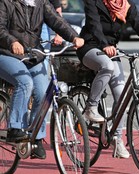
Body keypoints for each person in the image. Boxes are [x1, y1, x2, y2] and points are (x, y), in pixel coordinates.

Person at [77, 0, 139, 158]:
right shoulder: (93, 2)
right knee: (107, 67)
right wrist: (103, 45)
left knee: (121, 95)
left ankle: (117, 139)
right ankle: (91, 107)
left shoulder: (125, 4)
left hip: (110, 50)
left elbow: (138, 23)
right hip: (90, 46)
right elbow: (94, 24)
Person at [0, 0, 84, 159]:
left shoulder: (40, 2)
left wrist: (73, 37)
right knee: (25, 82)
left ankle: (36, 137)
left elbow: (56, 20)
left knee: (43, 92)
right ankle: (15, 128)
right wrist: (12, 41)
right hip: (5, 53)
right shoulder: (6, 2)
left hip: (31, 54)